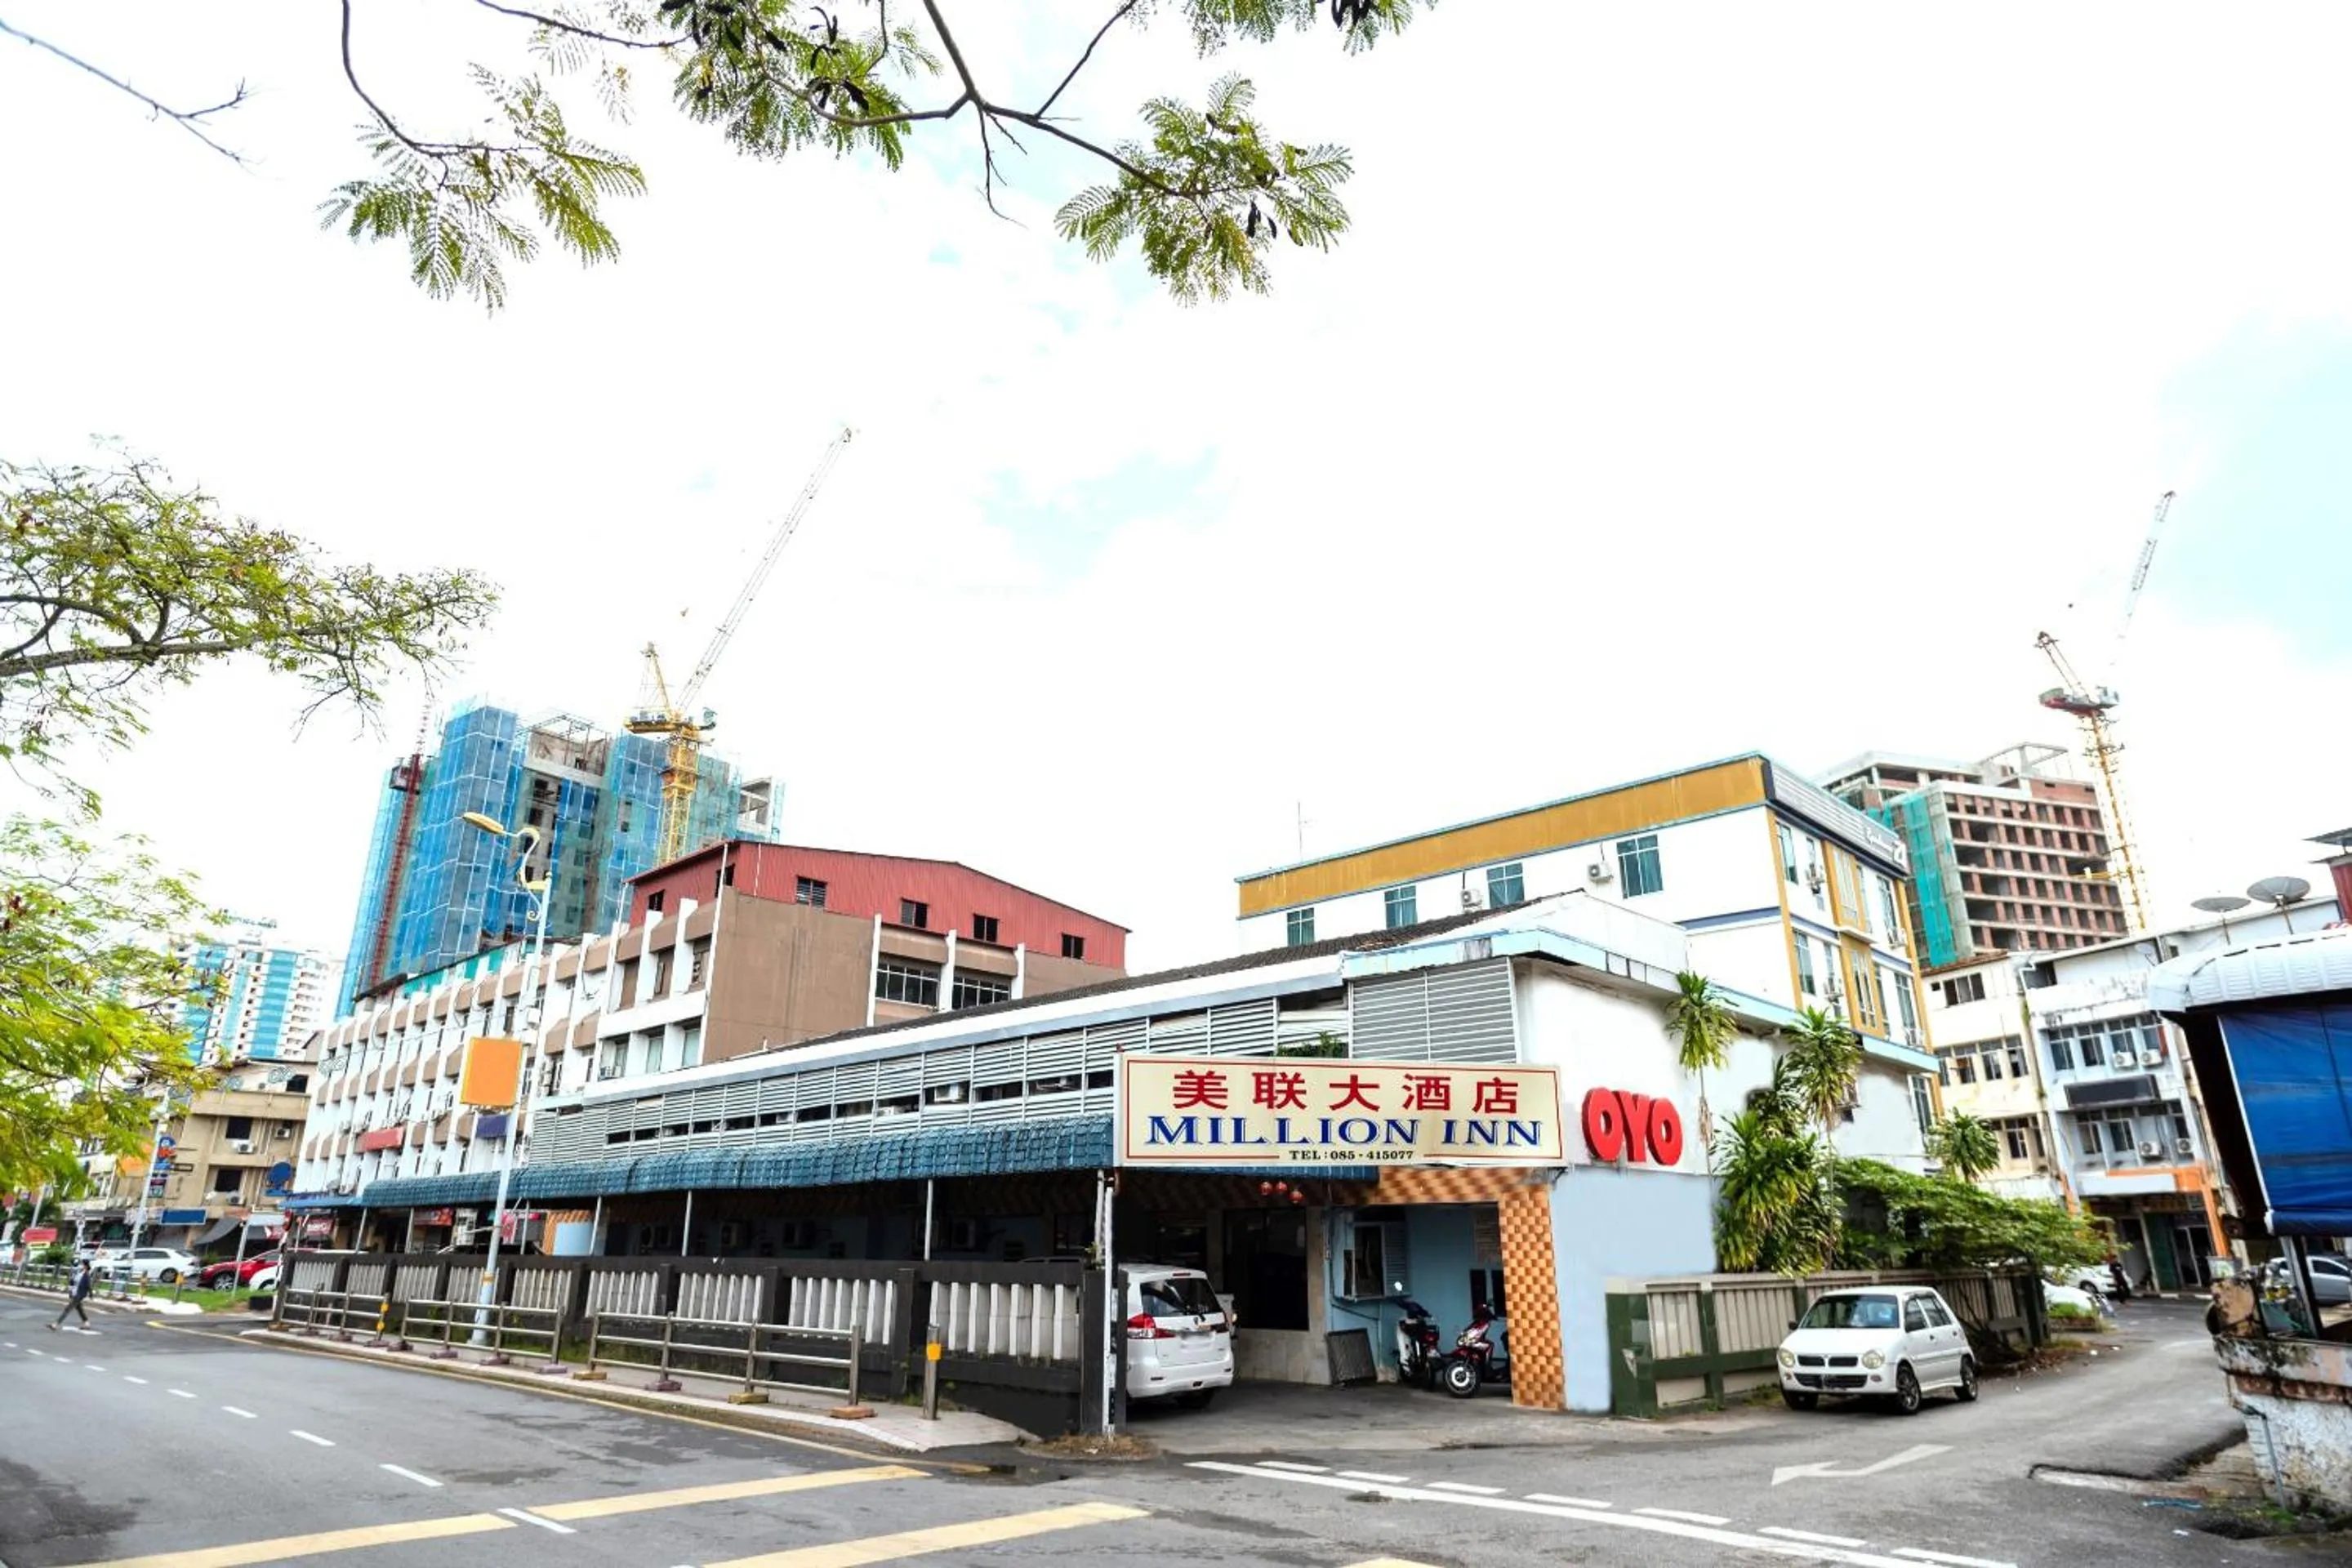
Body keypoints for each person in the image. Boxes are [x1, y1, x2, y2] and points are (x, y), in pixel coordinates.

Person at [49, 1258, 94, 1331]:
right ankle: (86, 1323)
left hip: (79, 1295)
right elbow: (74, 1282)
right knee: (79, 1309)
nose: (81, 1266)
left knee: (68, 1309)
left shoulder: (86, 1275)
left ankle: (56, 1324)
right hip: (75, 1293)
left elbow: (88, 1286)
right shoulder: (80, 1273)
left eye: (82, 1264)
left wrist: (91, 1294)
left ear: (85, 1266)